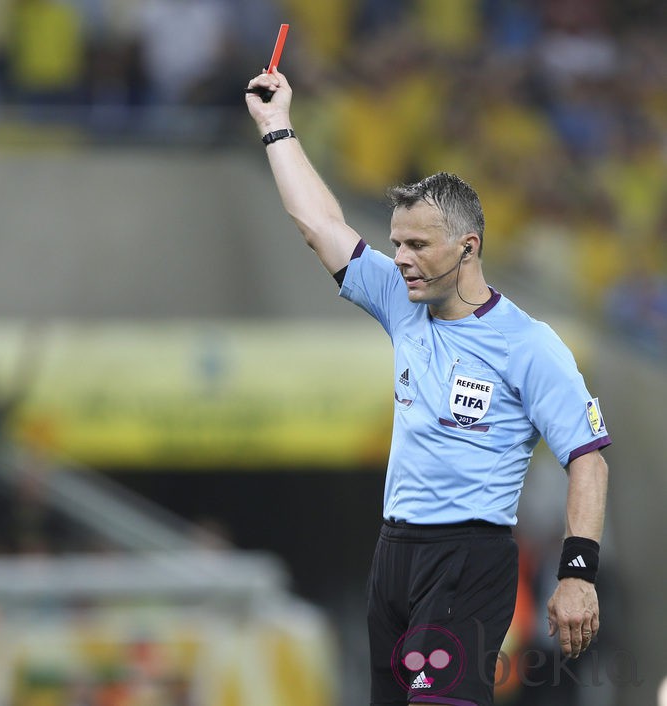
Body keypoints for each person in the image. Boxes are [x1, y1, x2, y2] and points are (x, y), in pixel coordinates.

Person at [245, 70, 610, 706]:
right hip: (394, 556)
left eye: (418, 245)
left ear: (468, 248)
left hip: (469, 557)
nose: (403, 259)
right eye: (396, 244)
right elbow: (317, 223)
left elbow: (588, 457)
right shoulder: (400, 299)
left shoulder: (528, 344)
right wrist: (275, 126)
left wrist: (578, 573)